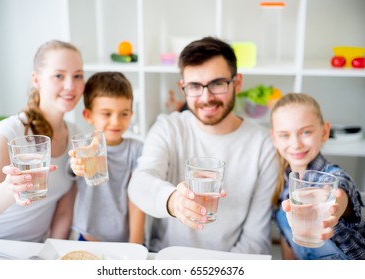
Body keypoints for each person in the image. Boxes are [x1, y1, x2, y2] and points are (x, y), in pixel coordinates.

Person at [128, 37, 278, 254]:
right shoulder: (168, 128)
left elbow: (256, 239)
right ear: (183, 88)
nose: (206, 97)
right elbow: (139, 183)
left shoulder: (262, 144)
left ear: (237, 83)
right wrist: (172, 201)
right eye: (195, 86)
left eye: (217, 84)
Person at [0, 40, 85, 242]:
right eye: (59, 76)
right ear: (36, 79)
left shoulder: (76, 135)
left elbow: (63, 212)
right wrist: (11, 187)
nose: (70, 86)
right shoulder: (11, 131)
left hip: (35, 250)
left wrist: (53, 258)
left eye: (77, 75)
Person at [270, 92, 365, 260]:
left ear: (324, 132)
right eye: (284, 135)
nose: (296, 144)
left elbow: (338, 192)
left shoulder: (335, 176)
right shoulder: (282, 184)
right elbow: (288, 243)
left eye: (305, 132)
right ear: (274, 139)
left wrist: (330, 207)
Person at [69, 72, 145, 244]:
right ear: (88, 116)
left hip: (127, 240)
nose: (116, 122)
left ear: (131, 114)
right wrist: (78, 164)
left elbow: (137, 201)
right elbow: (74, 166)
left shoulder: (137, 150)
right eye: (106, 113)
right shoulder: (83, 148)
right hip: (88, 238)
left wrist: (136, 245)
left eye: (124, 114)